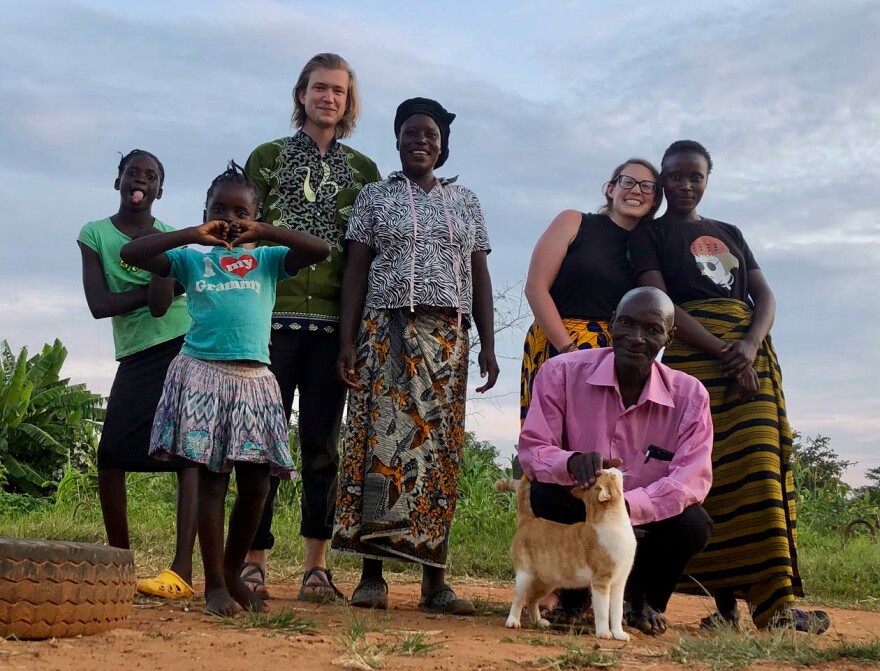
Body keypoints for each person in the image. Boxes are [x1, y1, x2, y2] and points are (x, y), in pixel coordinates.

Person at [628, 140, 830, 633]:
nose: (684, 184)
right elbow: (663, 305)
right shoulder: (649, 236)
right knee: (704, 475)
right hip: (695, 359)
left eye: (694, 176)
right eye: (674, 176)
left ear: (707, 178)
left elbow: (763, 294)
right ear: (665, 179)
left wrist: (750, 346)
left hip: (751, 358)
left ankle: (776, 607)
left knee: (760, 470)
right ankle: (722, 609)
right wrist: (724, 351)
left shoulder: (729, 232)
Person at [120, 163, 331, 616]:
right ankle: (214, 583)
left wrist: (266, 231)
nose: (230, 218)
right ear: (205, 212)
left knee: (256, 487)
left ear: (255, 215)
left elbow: (319, 249)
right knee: (213, 483)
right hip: (202, 375)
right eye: (220, 209)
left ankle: (234, 571)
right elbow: (136, 252)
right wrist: (192, 234)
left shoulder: (268, 260)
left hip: (255, 381)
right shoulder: (192, 259)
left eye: (241, 211)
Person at [332, 97, 499, 614]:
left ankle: (435, 584)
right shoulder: (374, 198)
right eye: (410, 132)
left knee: (438, 456)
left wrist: (489, 344)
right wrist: (346, 340)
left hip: (447, 340)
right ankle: (372, 576)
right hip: (386, 333)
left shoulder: (467, 202)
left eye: (430, 134)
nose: (420, 141)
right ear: (397, 140)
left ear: (443, 144)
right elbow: (356, 272)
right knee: (380, 450)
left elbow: (479, 276)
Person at [242, 53, 381, 601]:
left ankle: (316, 567)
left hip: (333, 328)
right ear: (301, 94)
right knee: (261, 443)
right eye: (319, 88)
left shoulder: (366, 171)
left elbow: (363, 259)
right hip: (268, 320)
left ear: (348, 103)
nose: (328, 98)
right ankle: (253, 559)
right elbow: (245, 236)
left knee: (323, 446)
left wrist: (356, 336)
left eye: (339, 92)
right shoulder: (268, 157)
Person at [518, 287, 714, 635]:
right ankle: (574, 600)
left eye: (652, 329)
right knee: (545, 495)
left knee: (693, 523)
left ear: (670, 336)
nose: (635, 338)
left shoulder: (690, 396)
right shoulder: (560, 373)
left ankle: (645, 602)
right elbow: (533, 449)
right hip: (583, 506)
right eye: (626, 323)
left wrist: (625, 507)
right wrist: (570, 461)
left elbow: (691, 480)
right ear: (611, 324)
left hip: (644, 517)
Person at [77, 149, 198, 599]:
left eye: (150, 175)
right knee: (110, 455)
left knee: (188, 455)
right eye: (132, 172)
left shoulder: (170, 238)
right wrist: (151, 290)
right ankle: (118, 564)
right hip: (134, 353)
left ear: (160, 190)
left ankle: (181, 568)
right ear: (119, 181)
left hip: (181, 344)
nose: (139, 180)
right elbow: (98, 305)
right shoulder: (94, 234)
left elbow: (167, 304)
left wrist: (157, 289)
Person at [521, 158, 662, 425]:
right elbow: (536, 287)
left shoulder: (650, 248)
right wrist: (569, 350)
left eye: (647, 186)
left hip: (618, 352)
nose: (636, 190)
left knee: (606, 439)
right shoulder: (573, 222)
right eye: (628, 182)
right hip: (558, 341)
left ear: (655, 199)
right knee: (551, 436)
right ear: (610, 189)